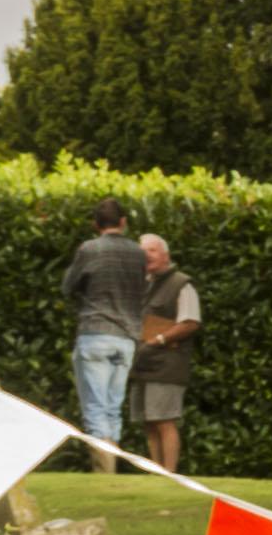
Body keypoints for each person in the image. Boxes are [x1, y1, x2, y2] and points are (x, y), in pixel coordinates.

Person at [62, 201, 144, 452]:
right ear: (123, 222)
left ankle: (103, 472)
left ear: (95, 224)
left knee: (95, 408)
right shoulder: (138, 253)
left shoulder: (90, 249)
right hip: (127, 337)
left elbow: (68, 287)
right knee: (113, 408)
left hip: (95, 333)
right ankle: (112, 471)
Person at [131, 230, 203, 475]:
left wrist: (159, 339)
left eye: (151, 250)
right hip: (145, 363)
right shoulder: (144, 284)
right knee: (149, 422)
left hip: (168, 364)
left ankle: (170, 474)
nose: (146, 256)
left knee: (164, 420)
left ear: (165, 255)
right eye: (142, 251)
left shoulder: (182, 284)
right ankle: (157, 473)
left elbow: (191, 322)